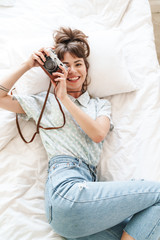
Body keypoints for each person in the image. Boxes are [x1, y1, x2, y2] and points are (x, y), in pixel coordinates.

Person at [0, 27, 160, 240]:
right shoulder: (44, 102)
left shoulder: (99, 105)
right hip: (64, 191)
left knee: (149, 218)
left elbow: (98, 134)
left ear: (86, 68)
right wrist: (28, 64)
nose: (73, 71)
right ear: (54, 70)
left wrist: (66, 98)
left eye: (78, 64)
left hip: (82, 210)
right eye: (65, 65)